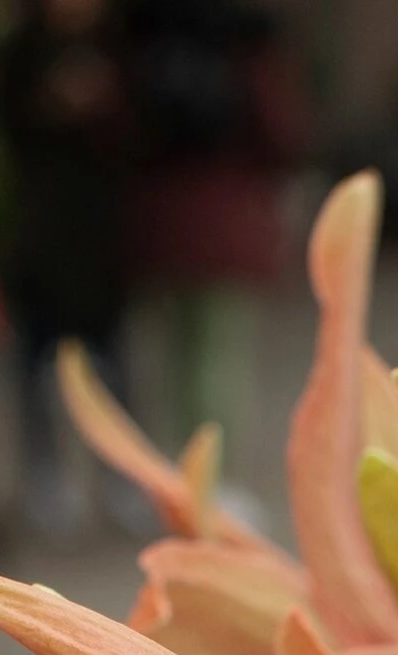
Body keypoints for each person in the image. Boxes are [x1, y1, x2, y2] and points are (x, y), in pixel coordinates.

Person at [124, 0, 304, 482]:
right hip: (227, 218)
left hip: (164, 219)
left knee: (176, 353)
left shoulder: (147, 39)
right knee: (219, 353)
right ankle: (214, 477)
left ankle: (184, 468)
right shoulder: (245, 45)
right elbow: (283, 132)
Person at [0, 0, 137, 534]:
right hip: (39, 239)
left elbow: (139, 133)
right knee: (37, 368)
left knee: (114, 370)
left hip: (101, 239)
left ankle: (124, 479)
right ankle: (46, 479)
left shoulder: (119, 47)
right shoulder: (20, 53)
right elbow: (5, 129)